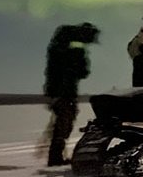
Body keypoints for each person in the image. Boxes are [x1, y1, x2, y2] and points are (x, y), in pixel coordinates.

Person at [42, 22, 100, 166]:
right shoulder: (76, 47)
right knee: (63, 124)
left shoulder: (61, 44)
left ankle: (55, 156)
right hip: (65, 92)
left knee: (61, 124)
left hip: (57, 91)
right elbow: (82, 71)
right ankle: (55, 158)